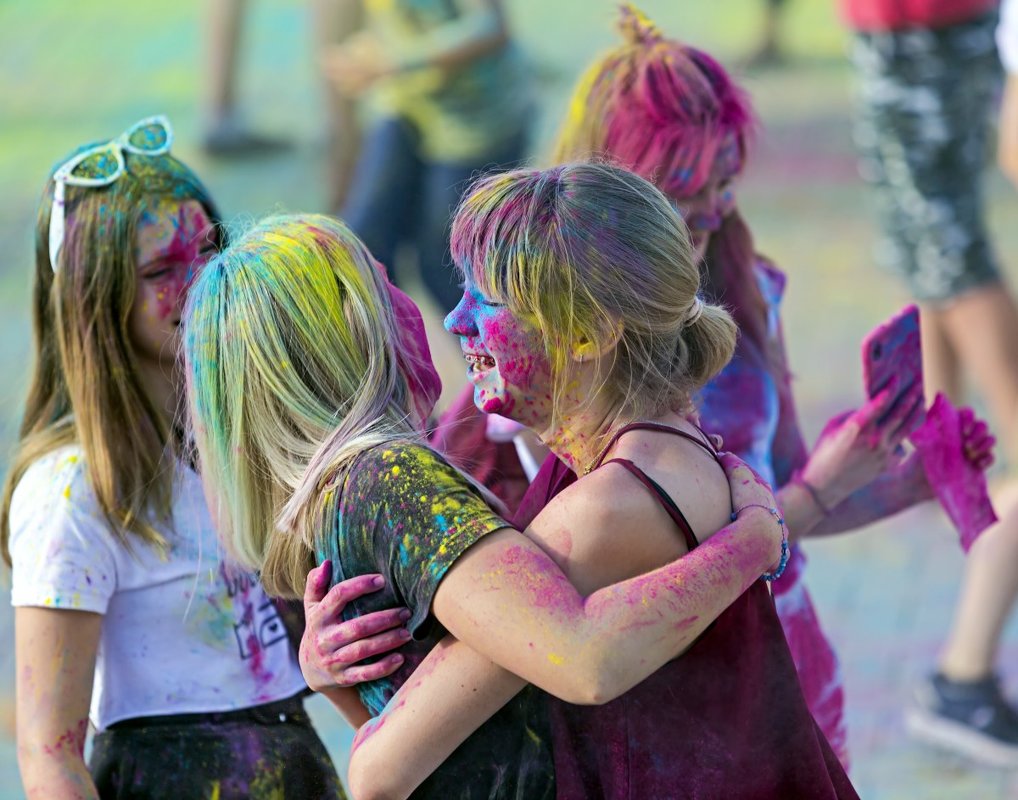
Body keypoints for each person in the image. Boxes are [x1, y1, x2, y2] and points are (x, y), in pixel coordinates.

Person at [179, 200, 842, 798]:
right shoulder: (390, 482)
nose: (446, 316)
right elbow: (394, 765)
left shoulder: (385, 488)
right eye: (388, 287)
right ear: (344, 340)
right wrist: (757, 539)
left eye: (484, 298)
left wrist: (334, 689)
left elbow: (409, 746)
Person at [1, 117, 391, 800]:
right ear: (94, 303)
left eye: (209, 250)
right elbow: (48, 750)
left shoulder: (241, 436)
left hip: (292, 764)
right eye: (160, 270)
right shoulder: (71, 489)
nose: (200, 282)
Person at [844, 0, 1018, 764]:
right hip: (904, 29)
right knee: (933, 248)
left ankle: (963, 680)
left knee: (944, 246)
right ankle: (962, 681)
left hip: (925, 27)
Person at [317, 0, 532, 313]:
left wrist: (396, 61)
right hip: (405, 104)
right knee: (362, 251)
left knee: (445, 267)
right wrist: (343, 139)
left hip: (477, 121)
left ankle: (495, 355)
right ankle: (391, 356)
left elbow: (491, 26)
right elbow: (340, 25)